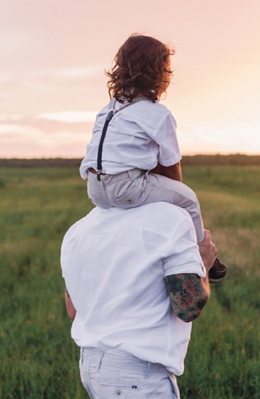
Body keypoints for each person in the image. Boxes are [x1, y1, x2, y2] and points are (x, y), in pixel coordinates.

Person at [61, 201, 218, 399]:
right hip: (136, 379)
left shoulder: (79, 229)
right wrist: (202, 263)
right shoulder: (171, 219)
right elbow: (188, 305)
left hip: (94, 367)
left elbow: (73, 310)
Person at [79, 33, 226, 282]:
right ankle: (202, 256)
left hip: (94, 188)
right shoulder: (157, 114)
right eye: (168, 70)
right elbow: (171, 166)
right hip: (125, 186)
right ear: (158, 74)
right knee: (188, 199)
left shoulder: (108, 110)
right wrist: (173, 198)